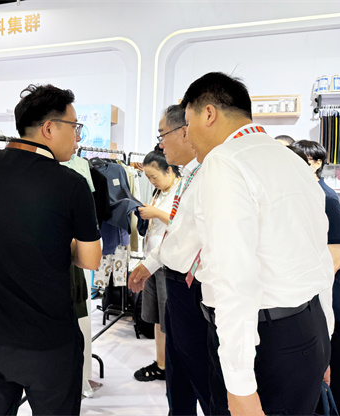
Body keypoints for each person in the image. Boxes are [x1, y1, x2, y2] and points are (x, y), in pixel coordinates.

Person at [182, 72, 334, 415]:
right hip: (308, 330)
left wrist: (239, 386)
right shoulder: (292, 161)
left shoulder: (226, 160)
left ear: (209, 114)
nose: (186, 135)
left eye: (187, 123)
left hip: (265, 343)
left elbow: (233, 277)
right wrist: (326, 340)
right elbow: (320, 257)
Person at [0, 84, 101, 415]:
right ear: (49, 128)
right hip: (48, 346)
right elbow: (91, 259)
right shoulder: (71, 184)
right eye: (75, 127)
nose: (77, 138)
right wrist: (58, 243)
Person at [129, 104, 211, 415]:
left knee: (202, 376)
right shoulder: (189, 176)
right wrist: (149, 265)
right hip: (176, 284)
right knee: (178, 380)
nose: (161, 144)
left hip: (196, 288)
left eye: (163, 134)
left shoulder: (209, 174)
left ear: (185, 131)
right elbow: (178, 232)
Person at [292, 139, 340, 416]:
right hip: (318, 307)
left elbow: (334, 262)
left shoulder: (326, 198)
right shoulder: (301, 197)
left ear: (316, 164)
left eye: (300, 161)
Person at [132, 146, 180, 382]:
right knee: (159, 318)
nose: (151, 181)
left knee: (168, 318)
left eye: (154, 176)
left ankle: (172, 366)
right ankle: (161, 363)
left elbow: (183, 223)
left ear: (169, 170)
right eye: (148, 177)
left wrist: (155, 213)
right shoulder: (160, 191)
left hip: (168, 264)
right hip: (152, 261)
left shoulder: (182, 189)